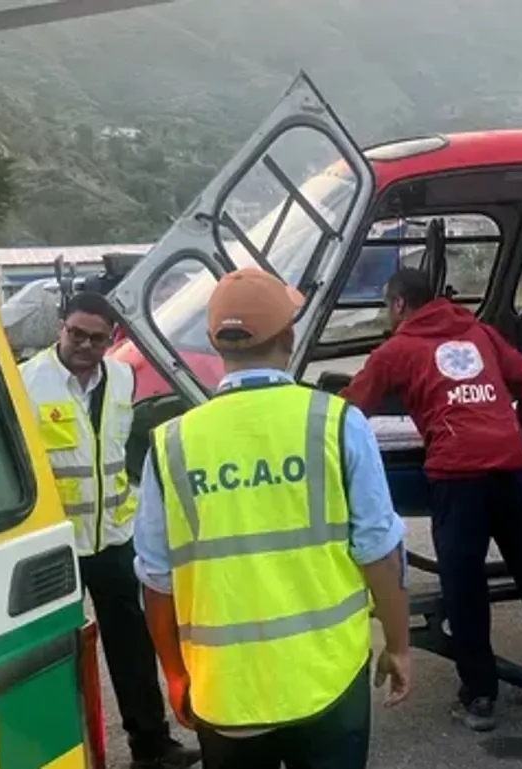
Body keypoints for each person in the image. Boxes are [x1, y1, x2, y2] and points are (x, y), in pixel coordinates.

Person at [131, 268, 413, 769]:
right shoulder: (336, 422)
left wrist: (175, 674)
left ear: (218, 345)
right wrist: (398, 645)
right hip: (328, 678)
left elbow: (157, 582)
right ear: (289, 336)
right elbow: (378, 552)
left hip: (226, 691)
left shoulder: (170, 443)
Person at [340, 267, 522, 733]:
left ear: (400, 305)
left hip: (457, 477)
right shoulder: (480, 333)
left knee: (465, 590)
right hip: (512, 469)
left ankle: (480, 696)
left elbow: (348, 410)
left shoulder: (396, 350)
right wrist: (514, 429)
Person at [18, 292, 200, 769]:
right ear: (61, 326)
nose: (85, 344)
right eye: (76, 333)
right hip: (57, 548)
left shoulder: (122, 377)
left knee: (134, 650)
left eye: (97, 338)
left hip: (116, 540)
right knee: (54, 658)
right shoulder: (26, 383)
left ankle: (152, 747)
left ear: (111, 340)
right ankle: (59, 754)